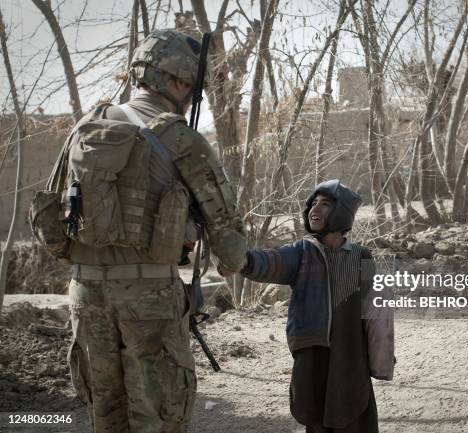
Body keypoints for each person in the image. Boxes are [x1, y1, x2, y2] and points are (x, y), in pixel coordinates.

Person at [65, 29, 247, 433]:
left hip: (84, 297)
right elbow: (230, 241)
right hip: (149, 302)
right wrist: (228, 258)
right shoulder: (181, 138)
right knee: (160, 419)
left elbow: (53, 215)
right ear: (179, 81)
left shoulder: (85, 128)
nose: (192, 97)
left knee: (107, 418)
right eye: (192, 89)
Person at [221, 179, 395, 433]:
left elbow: (379, 315)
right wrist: (241, 261)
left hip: (351, 358)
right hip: (313, 357)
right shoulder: (301, 253)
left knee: (356, 418)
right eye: (313, 204)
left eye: (325, 204)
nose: (315, 209)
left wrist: (381, 363)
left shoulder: (360, 258)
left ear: (342, 212)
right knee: (316, 419)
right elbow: (271, 261)